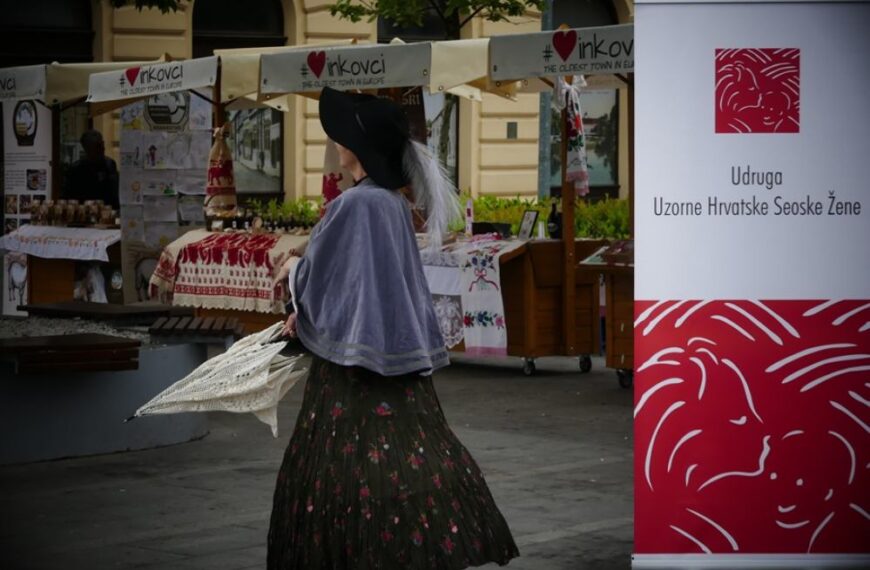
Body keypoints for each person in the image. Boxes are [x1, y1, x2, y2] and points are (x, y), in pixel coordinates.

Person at [268, 87, 519, 569]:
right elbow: (359, 278)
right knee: (409, 455)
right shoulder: (387, 201)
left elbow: (335, 280)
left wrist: (294, 273)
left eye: (340, 136)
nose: (335, 141)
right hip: (395, 364)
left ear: (355, 148)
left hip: (352, 372)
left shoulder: (358, 205)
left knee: (348, 467)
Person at [63, 129, 119, 209]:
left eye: (102, 144)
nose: (102, 148)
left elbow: (114, 194)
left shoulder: (109, 165)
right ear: (87, 148)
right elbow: (68, 197)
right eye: (97, 146)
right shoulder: (76, 169)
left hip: (106, 213)